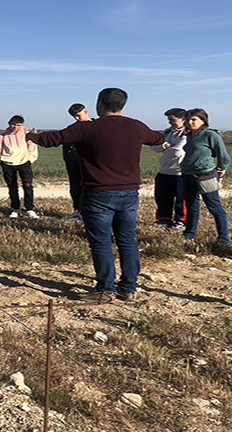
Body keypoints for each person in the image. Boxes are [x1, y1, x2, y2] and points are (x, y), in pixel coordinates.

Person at [27, 88, 164, 303]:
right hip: (129, 193)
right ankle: (129, 287)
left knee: (100, 242)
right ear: (122, 105)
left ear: (99, 103)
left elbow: (51, 139)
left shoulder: (87, 128)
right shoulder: (136, 126)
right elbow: (157, 138)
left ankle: (105, 290)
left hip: (97, 193)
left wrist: (30, 135)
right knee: (127, 240)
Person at [180, 108, 230, 246]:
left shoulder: (210, 135)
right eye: (188, 120)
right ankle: (189, 234)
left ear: (203, 120)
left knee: (214, 207)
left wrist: (222, 170)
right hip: (188, 175)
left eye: (194, 119)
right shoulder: (189, 135)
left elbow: (223, 156)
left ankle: (223, 238)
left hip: (205, 175)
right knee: (191, 206)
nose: (190, 122)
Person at [150, 108, 188, 230]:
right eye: (169, 120)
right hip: (164, 170)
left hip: (179, 172)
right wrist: (165, 146)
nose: (170, 123)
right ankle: (163, 219)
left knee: (181, 199)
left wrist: (165, 148)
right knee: (162, 197)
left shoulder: (186, 134)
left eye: (173, 120)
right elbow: (153, 147)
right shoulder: (166, 133)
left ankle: (181, 221)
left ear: (183, 119)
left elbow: (178, 151)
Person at [0, 115, 38, 219]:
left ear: (22, 125)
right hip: (8, 164)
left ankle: (29, 209)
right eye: (13, 124)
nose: (15, 127)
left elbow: (33, 147)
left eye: (18, 125)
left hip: (24, 163)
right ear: (9, 123)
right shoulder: (2, 136)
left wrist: (30, 160)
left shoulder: (27, 134)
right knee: (12, 186)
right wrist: (0, 160)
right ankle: (16, 209)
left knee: (27, 185)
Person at [62, 103, 90, 220]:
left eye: (78, 115)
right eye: (74, 117)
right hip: (73, 162)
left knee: (88, 187)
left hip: (90, 162)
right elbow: (65, 144)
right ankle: (77, 210)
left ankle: (88, 212)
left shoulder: (97, 126)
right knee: (75, 186)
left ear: (85, 112)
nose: (77, 118)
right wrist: (67, 158)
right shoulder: (72, 129)